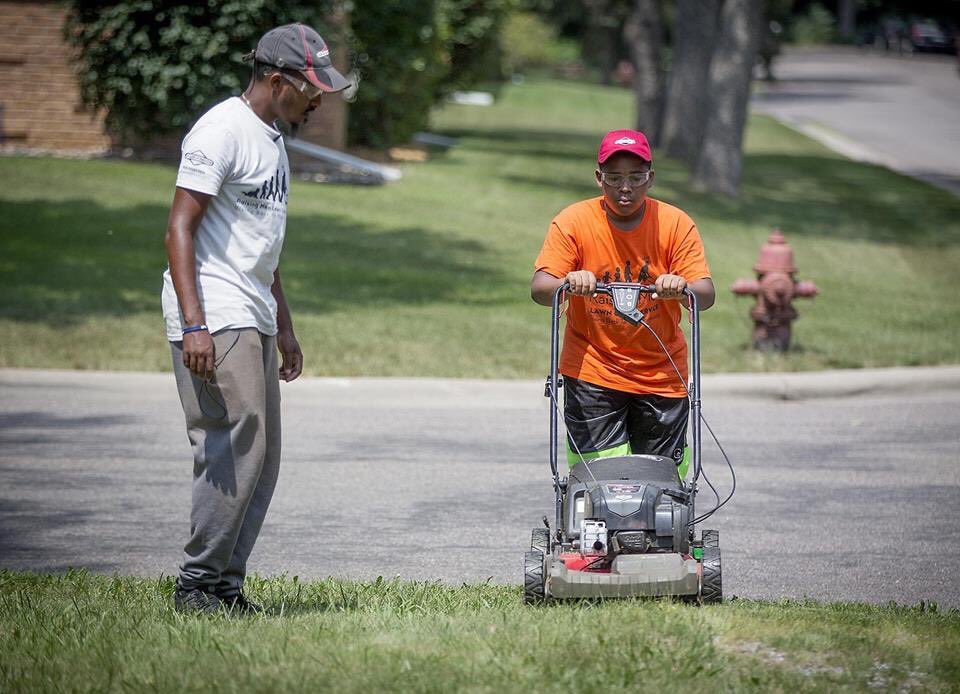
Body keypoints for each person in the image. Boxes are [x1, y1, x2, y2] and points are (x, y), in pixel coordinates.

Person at [161, 23, 351, 614]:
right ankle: (197, 585)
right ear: (277, 80)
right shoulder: (222, 130)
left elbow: (261, 247)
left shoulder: (273, 139)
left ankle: (225, 586)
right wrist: (194, 324)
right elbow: (179, 229)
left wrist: (285, 326)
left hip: (253, 310)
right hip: (215, 311)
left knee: (262, 455)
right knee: (235, 445)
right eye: (311, 88)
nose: (318, 101)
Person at [531, 129, 715, 474]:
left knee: (660, 479)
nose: (625, 187)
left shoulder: (675, 224)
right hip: (592, 370)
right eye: (614, 178)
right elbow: (541, 288)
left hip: (662, 372)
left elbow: (704, 295)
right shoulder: (574, 221)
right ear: (599, 178)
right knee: (599, 478)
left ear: (651, 178)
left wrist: (681, 285)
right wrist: (569, 281)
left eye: (635, 177)